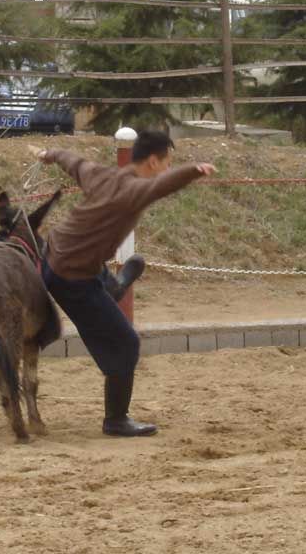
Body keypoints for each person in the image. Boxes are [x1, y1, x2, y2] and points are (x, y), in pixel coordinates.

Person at [38, 130, 216, 437]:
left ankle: (114, 286)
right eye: (167, 163)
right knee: (126, 343)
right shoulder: (134, 190)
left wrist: (50, 153)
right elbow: (163, 185)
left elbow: (75, 162)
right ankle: (116, 420)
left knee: (102, 281)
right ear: (152, 161)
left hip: (53, 258)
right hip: (73, 277)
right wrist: (192, 171)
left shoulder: (101, 175)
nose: (167, 169)